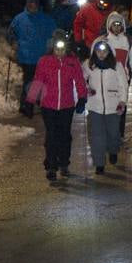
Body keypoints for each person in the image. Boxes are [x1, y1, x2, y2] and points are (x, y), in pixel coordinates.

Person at [26, 30, 87, 181]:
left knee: (65, 135)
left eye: (62, 49)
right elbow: (38, 80)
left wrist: (82, 97)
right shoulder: (44, 61)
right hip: (49, 105)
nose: (60, 52)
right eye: (57, 49)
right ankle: (51, 166)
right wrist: (31, 100)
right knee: (52, 135)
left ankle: (64, 162)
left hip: (66, 105)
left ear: (67, 48)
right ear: (52, 48)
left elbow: (79, 80)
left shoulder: (72, 61)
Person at [82, 39, 128, 174]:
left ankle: (113, 150)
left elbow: (123, 85)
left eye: (104, 51)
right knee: (97, 137)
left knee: (114, 134)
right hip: (95, 106)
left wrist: (122, 101)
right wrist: (87, 89)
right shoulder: (88, 65)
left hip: (113, 106)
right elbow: (80, 80)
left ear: (109, 52)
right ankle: (99, 163)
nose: (101, 54)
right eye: (98, 51)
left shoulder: (117, 66)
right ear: (94, 52)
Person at [7, 0, 57, 118]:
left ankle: (35, 102)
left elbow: (54, 33)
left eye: (34, 4)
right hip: (26, 56)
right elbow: (10, 33)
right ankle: (27, 105)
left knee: (39, 81)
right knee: (29, 81)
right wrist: (13, 42)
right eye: (30, 4)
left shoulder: (46, 19)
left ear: (37, 5)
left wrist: (51, 45)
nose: (32, 6)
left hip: (42, 56)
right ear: (27, 5)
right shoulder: (19, 19)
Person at [103, 12, 132, 138]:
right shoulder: (104, 41)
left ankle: (119, 134)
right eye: (114, 24)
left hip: (124, 79)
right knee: (108, 107)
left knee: (121, 106)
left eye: (119, 24)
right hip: (107, 79)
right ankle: (109, 133)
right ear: (109, 25)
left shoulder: (128, 41)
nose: (117, 27)